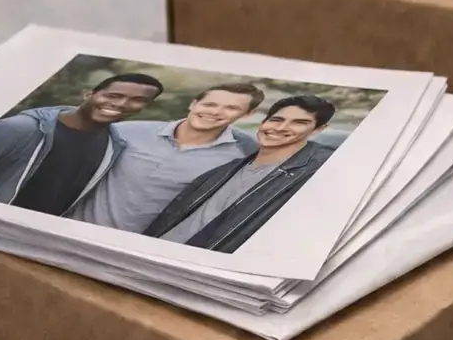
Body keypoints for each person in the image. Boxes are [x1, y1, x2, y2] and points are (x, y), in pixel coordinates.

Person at [0, 72, 164, 217]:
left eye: (136, 100)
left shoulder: (115, 147)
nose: (121, 104)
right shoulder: (18, 129)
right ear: (89, 94)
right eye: (113, 95)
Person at [143, 95, 338, 252]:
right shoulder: (225, 169)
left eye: (299, 123)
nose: (280, 128)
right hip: (157, 255)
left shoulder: (315, 174)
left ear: (318, 129)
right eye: (276, 120)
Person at [67, 82, 265, 233]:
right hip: (75, 229)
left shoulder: (242, 156)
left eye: (231, 108)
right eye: (209, 104)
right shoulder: (126, 131)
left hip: (144, 247)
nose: (215, 112)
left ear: (248, 114)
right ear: (194, 104)